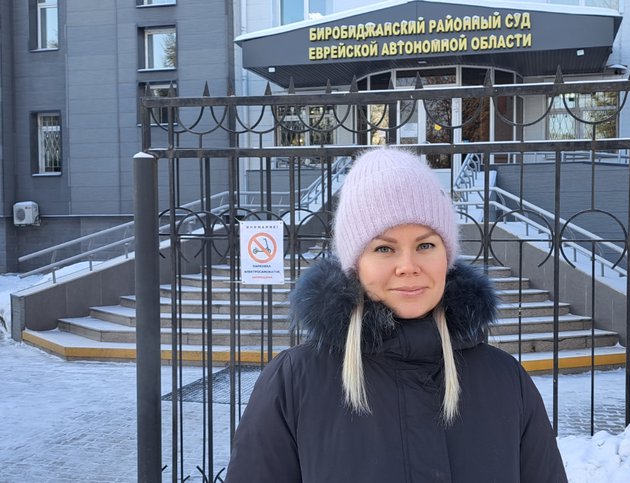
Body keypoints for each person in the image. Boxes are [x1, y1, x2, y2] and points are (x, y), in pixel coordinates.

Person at [225, 148, 568, 483]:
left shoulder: (505, 380)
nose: (408, 266)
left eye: (425, 245)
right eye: (384, 248)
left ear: (446, 256)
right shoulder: (294, 382)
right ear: (354, 265)